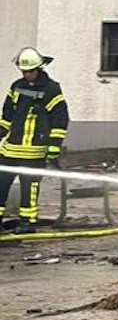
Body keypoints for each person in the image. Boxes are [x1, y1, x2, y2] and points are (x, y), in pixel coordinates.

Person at [0, 48, 67, 230]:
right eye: (24, 72)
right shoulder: (16, 86)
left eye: (30, 71)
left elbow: (60, 120)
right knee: (1, 183)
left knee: (29, 188)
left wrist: (53, 148)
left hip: (34, 151)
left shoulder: (51, 89)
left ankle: (27, 222)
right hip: (10, 149)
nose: (27, 75)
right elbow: (7, 116)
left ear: (39, 68)